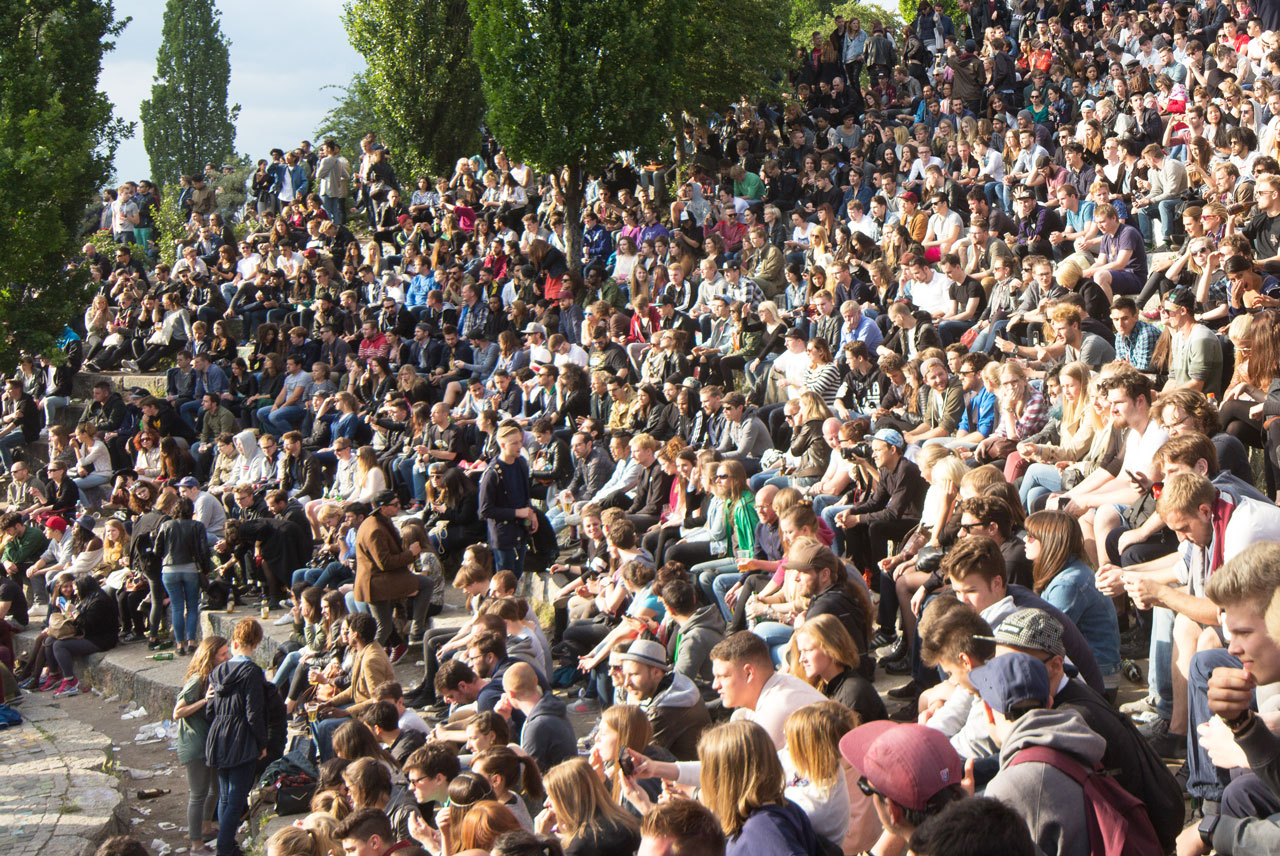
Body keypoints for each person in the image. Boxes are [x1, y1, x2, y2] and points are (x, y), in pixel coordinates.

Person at [969, 652, 1108, 856]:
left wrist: (966, 812)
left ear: (988, 712)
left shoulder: (1009, 786)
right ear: (1049, 703)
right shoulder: (1077, 742)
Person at [206, 618, 270, 856]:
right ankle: (224, 847)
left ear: (235, 640)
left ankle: (227, 841)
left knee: (225, 796)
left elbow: (210, 709)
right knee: (237, 796)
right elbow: (253, 712)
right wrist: (262, 742)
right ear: (256, 642)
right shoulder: (252, 672)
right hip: (241, 737)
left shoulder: (218, 670)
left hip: (219, 735)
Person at [709, 630, 825, 749]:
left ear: (749, 673)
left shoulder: (774, 710)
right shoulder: (781, 685)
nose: (715, 685)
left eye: (723, 676)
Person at [173, 635, 229, 853]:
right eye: (222, 655)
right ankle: (196, 843)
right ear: (211, 657)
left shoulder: (216, 675)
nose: (227, 658)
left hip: (210, 743)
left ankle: (206, 827)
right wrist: (204, 700)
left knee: (215, 789)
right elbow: (178, 711)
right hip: (195, 744)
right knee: (198, 793)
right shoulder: (198, 679)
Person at [616, 638, 712, 762]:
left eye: (634, 675)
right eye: (625, 674)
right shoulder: (667, 687)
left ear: (656, 673)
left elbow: (636, 754)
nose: (626, 683)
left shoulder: (666, 709)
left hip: (687, 777)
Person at [354, 489, 424, 650]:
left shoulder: (379, 521)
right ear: (383, 508)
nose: (398, 507)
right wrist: (410, 554)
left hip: (379, 582)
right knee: (383, 626)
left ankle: (402, 642)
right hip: (377, 584)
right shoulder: (375, 529)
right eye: (395, 505)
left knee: (384, 624)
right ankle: (416, 632)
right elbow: (384, 563)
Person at [538, 757, 640, 856]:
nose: (546, 804)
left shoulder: (579, 846)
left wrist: (540, 839)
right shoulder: (626, 823)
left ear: (568, 801)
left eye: (550, 797)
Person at [154, 496, 214, 656]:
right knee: (192, 606)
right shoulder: (197, 526)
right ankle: (191, 641)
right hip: (191, 569)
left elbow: (157, 550)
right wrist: (206, 569)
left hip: (169, 570)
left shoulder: (166, 525)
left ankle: (179, 644)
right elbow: (203, 550)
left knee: (177, 606)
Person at [480, 423, 538, 574]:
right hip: (503, 535)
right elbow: (485, 511)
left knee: (517, 576)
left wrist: (532, 514)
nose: (520, 445)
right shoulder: (492, 474)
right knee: (506, 580)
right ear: (503, 444)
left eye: (520, 441)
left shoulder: (521, 463)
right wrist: (517, 513)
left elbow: (525, 495)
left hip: (520, 530)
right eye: (515, 443)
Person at [499, 660, 577, 772]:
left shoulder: (537, 726)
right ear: (536, 681)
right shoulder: (553, 707)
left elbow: (530, 777)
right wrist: (507, 721)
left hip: (554, 786)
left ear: (511, 694)